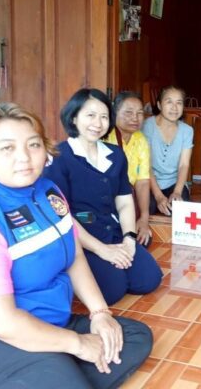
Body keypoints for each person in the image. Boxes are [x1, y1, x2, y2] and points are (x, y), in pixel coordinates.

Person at [0, 103, 153, 389]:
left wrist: (100, 313)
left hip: (50, 323)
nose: (24, 157)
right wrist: (78, 344)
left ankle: (59, 373)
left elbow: (74, 256)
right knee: (70, 368)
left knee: (135, 336)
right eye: (7, 148)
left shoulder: (48, 191)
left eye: (33, 144)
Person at [45, 89, 162, 305]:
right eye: (90, 115)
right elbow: (62, 216)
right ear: (74, 117)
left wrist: (129, 239)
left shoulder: (115, 154)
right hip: (81, 239)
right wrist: (102, 250)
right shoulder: (59, 157)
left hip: (113, 231)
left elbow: (124, 201)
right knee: (112, 291)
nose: (97, 123)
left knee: (148, 280)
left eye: (104, 117)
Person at [106, 91, 152, 246]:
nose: (135, 118)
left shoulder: (141, 140)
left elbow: (143, 181)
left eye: (140, 113)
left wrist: (144, 219)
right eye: (129, 112)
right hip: (108, 199)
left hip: (128, 197)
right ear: (115, 113)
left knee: (143, 240)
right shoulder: (105, 137)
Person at [142, 85, 193, 216]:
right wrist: (158, 196)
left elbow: (184, 165)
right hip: (150, 182)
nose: (174, 107)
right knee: (148, 207)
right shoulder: (148, 126)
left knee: (180, 209)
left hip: (173, 182)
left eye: (179, 103)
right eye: (169, 102)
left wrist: (177, 192)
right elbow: (146, 165)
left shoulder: (187, 131)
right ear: (159, 105)